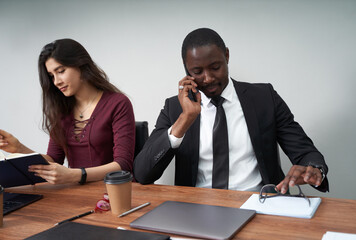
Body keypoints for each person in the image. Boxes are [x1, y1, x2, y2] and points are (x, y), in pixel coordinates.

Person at [134, 28, 329, 194]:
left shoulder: (264, 98)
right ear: (186, 71)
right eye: (197, 72)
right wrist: (185, 120)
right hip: (197, 209)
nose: (208, 78)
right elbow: (143, 173)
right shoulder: (175, 108)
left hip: (258, 204)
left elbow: (304, 151)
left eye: (215, 67)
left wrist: (313, 169)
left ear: (226, 55)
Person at [0, 39, 135, 185]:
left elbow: (123, 165)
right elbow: (53, 160)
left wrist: (75, 175)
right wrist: (19, 148)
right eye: (52, 76)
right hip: (75, 194)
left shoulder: (118, 103)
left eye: (61, 71)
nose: (56, 81)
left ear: (81, 65)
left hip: (112, 193)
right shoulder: (62, 110)